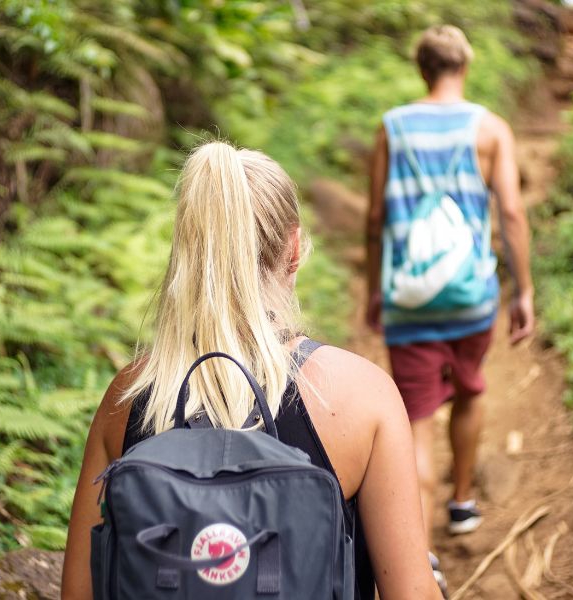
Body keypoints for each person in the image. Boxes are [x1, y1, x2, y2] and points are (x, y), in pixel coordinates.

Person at [61, 142, 442, 600]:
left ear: (187, 250)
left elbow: (79, 593)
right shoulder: (361, 395)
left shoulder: (127, 399)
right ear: (295, 250)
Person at [365, 24, 535, 579]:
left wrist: (375, 288)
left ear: (423, 69)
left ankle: (420, 554)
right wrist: (524, 289)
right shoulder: (490, 129)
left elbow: (375, 219)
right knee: (469, 390)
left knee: (415, 422)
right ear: (465, 66)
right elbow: (510, 212)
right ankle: (461, 504)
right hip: (471, 297)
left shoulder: (392, 127)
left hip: (408, 299)